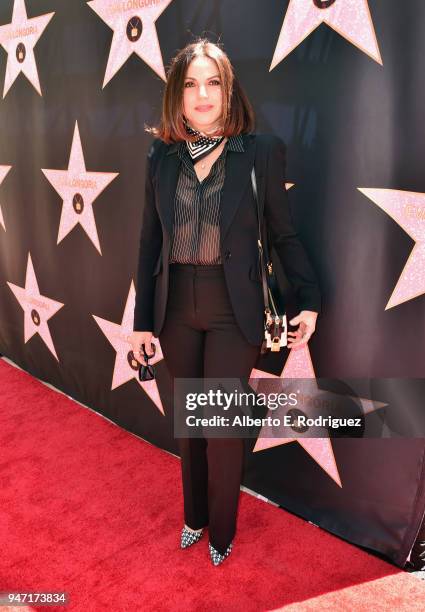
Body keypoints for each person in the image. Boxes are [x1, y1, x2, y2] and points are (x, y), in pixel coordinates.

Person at [128, 38, 321, 566]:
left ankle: (223, 532)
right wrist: (142, 321)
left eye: (213, 81)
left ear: (229, 89)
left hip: (233, 308)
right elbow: (149, 243)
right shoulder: (160, 155)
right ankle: (195, 516)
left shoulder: (260, 150)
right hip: (174, 309)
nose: (202, 94)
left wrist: (308, 298)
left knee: (221, 425)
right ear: (177, 95)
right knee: (190, 426)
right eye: (191, 83)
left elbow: (283, 235)